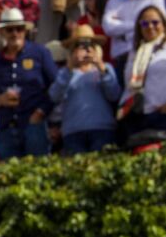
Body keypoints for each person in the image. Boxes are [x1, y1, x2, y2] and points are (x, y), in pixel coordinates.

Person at [0, 8, 57, 160]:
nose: (15, 33)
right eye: (10, 30)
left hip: (34, 124)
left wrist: (41, 111)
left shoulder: (40, 53)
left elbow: (56, 86)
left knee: (39, 171)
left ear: (25, 31)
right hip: (6, 127)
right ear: (2, 32)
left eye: (19, 29)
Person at [47, 25, 118, 154]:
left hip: (102, 129)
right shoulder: (65, 73)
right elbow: (54, 96)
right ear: (72, 50)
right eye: (80, 46)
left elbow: (114, 94)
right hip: (73, 132)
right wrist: (70, 67)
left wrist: (101, 67)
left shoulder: (105, 68)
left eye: (89, 45)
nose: (85, 50)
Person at [120, 6, 166, 136]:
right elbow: (128, 84)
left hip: (161, 114)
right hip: (136, 116)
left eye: (155, 22)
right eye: (145, 23)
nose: (150, 26)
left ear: (164, 25)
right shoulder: (135, 52)